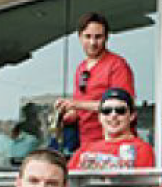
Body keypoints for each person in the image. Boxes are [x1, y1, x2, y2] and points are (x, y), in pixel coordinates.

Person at [55, 12, 136, 147]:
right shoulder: (81, 68)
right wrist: (67, 114)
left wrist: (75, 104)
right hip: (86, 143)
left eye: (98, 37)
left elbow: (122, 107)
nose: (93, 42)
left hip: (115, 144)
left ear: (106, 38)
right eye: (88, 37)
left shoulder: (117, 65)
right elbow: (80, 110)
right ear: (80, 37)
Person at [68, 88, 156, 187]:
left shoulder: (142, 149)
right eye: (107, 111)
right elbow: (66, 186)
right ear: (99, 116)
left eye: (120, 110)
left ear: (132, 116)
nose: (113, 115)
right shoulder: (85, 149)